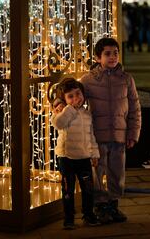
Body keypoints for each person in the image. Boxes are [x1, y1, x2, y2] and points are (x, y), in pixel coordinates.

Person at [80, 37, 141, 223]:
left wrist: (133, 133)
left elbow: (135, 108)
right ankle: (99, 206)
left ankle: (113, 204)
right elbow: (75, 98)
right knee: (97, 173)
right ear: (98, 57)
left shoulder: (126, 79)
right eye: (107, 53)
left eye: (115, 53)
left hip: (119, 135)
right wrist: (60, 101)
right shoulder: (88, 80)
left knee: (117, 171)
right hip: (97, 136)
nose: (113, 57)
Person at [51, 78, 101, 230]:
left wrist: (94, 154)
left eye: (78, 94)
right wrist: (69, 109)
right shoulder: (63, 113)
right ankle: (69, 218)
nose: (75, 98)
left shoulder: (86, 115)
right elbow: (58, 124)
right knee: (68, 190)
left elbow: (91, 135)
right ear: (64, 100)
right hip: (66, 158)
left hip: (84, 157)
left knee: (87, 189)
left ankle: (88, 214)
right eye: (70, 96)